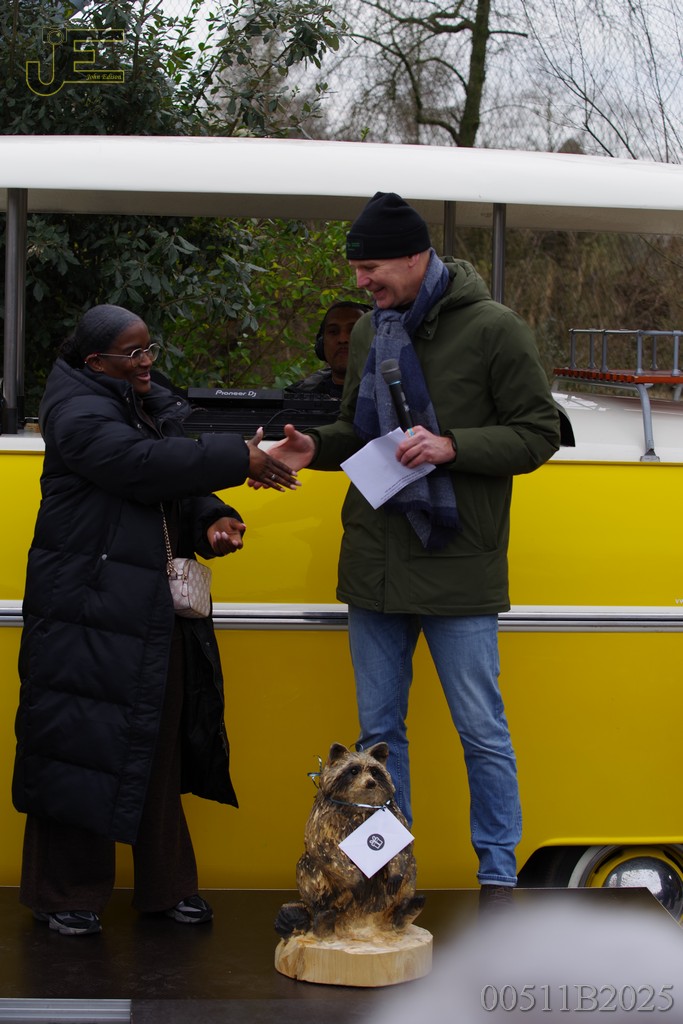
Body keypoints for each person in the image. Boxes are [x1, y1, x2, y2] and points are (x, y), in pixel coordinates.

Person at [261, 192, 561, 909]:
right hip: (376, 563)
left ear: (414, 256)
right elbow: (357, 432)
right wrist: (312, 447)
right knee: (377, 740)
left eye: (370, 268)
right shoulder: (373, 329)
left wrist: (453, 446)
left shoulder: (495, 329)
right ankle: (390, 882)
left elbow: (539, 433)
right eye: (356, 270)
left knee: (480, 731)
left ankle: (498, 881)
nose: (360, 283)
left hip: (459, 563)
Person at [11, 303, 298, 937]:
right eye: (134, 354)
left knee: (155, 744)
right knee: (79, 746)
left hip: (141, 609)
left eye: (149, 350)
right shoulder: (76, 412)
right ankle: (65, 894)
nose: (147, 363)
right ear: (96, 362)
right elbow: (139, 466)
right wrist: (239, 459)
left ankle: (166, 888)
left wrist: (211, 517)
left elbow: (165, 476)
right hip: (85, 609)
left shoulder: (134, 401)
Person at [287, 301, 371, 398]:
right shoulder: (296, 395)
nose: (342, 339)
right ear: (322, 343)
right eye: (333, 332)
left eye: (353, 330)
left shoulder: (385, 394)